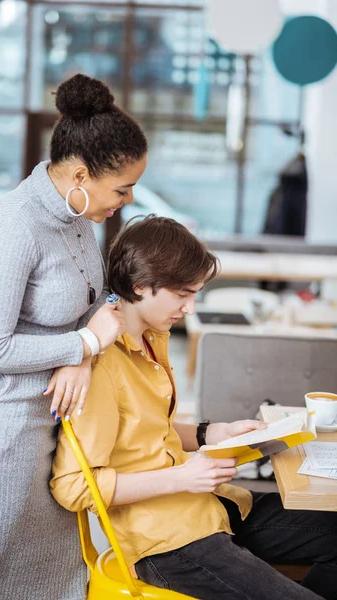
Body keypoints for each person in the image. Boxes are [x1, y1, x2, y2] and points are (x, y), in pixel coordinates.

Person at [0, 74, 147, 600]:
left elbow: (100, 301)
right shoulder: (13, 225)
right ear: (80, 174)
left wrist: (82, 354)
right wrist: (84, 346)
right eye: (121, 188)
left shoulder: (78, 212)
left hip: (46, 415)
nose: (126, 200)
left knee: (51, 574)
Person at [51, 216, 337, 600]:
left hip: (208, 509)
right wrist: (184, 478)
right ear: (140, 286)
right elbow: (72, 487)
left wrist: (210, 432)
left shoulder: (151, 337)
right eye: (183, 294)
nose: (190, 308)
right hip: (169, 545)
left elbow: (146, 430)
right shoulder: (103, 367)